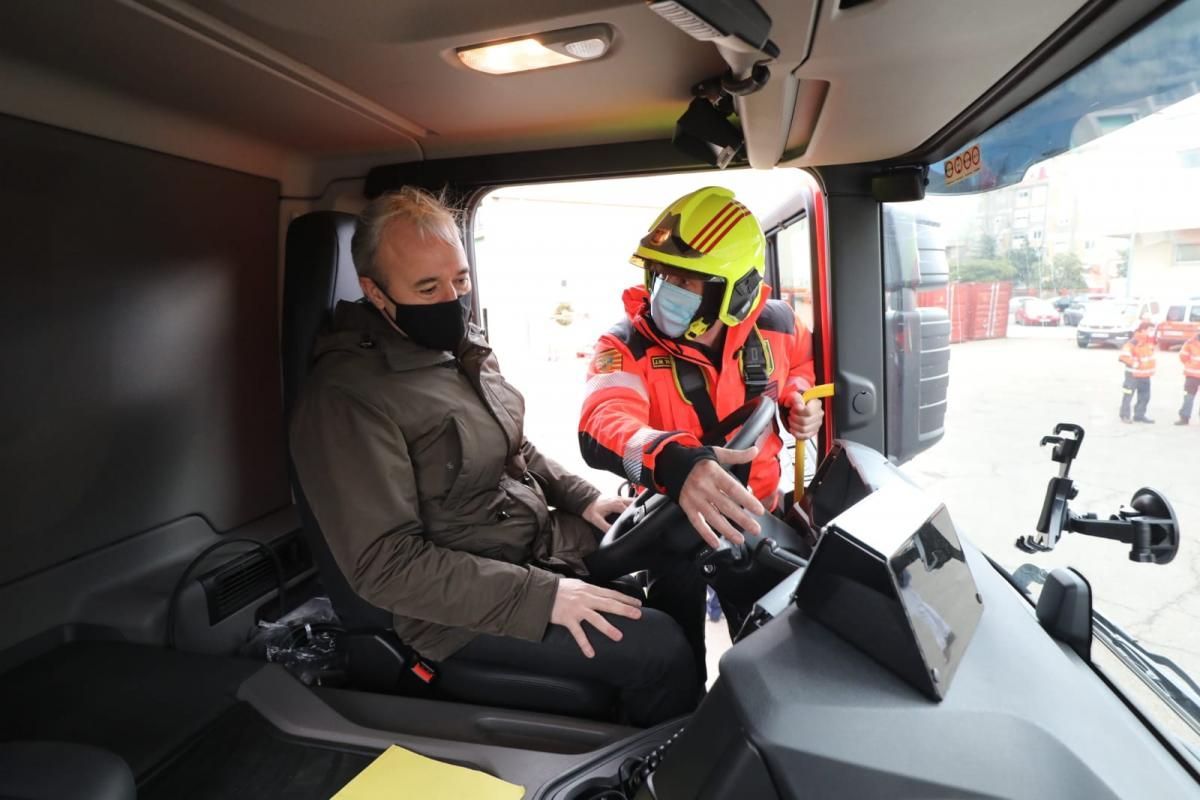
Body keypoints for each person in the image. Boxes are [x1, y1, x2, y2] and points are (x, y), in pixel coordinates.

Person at [289, 187, 699, 726]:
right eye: (427, 287)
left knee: (677, 539)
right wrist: (543, 595)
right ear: (375, 292)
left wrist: (583, 498)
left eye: (459, 280)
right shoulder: (348, 397)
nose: (451, 300)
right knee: (660, 647)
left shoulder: (456, 348)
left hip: (522, 546)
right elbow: (386, 567)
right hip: (450, 611)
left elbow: (514, 443)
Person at [578, 186, 822, 679]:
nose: (667, 290)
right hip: (674, 527)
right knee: (676, 660)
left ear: (736, 290)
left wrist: (800, 399)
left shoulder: (779, 326)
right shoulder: (624, 344)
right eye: (662, 274)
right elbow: (601, 419)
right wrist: (674, 460)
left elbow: (802, 367)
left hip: (756, 520)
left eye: (689, 281)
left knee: (768, 660)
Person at [1119, 321, 1157, 423]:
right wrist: (1134, 363)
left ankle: (1139, 415)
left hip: (1145, 375)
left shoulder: (1148, 342)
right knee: (1128, 395)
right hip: (1133, 374)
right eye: (1150, 330)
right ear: (1143, 330)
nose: (1152, 332)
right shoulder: (1133, 342)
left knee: (1145, 396)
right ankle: (1125, 416)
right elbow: (1123, 356)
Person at [1176, 330, 1200, 425]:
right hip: (1192, 374)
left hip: (1191, 374)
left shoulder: (1190, 342)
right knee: (1188, 397)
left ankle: (1184, 418)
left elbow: (1183, 356)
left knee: (1188, 396)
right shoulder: (1190, 343)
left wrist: (1190, 364)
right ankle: (1184, 417)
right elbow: (1183, 356)